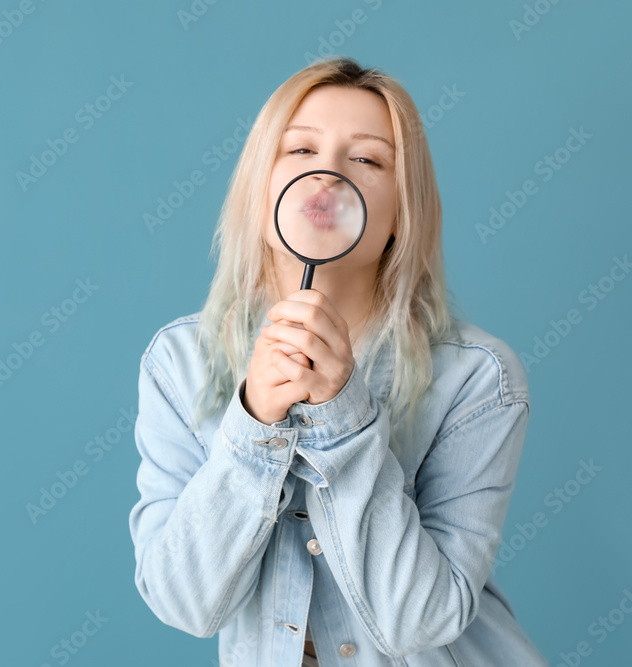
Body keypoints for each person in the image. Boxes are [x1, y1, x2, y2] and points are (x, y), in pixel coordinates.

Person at [128, 57, 549, 666]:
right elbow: (186, 604)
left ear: (402, 214)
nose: (326, 175)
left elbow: (422, 620)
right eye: (299, 151)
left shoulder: (478, 377)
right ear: (259, 187)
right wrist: (253, 424)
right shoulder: (179, 362)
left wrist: (342, 417)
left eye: (367, 160)